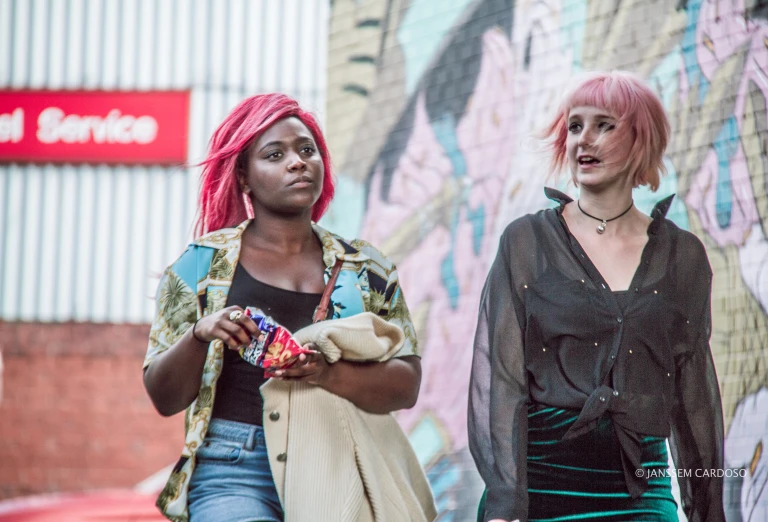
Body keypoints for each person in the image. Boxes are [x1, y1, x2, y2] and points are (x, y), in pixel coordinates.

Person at [143, 94, 429, 522]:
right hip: (234, 468)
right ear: (244, 176)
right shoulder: (201, 265)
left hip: (337, 462)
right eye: (275, 155)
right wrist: (201, 334)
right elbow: (164, 397)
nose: (297, 162)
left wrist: (326, 373)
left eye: (306, 150)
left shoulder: (366, 269)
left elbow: (406, 385)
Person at [468, 71, 725, 522]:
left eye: (604, 125)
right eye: (574, 126)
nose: (584, 139)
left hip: (641, 491)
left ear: (640, 139)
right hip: (542, 489)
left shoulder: (682, 256)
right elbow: (501, 380)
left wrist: (708, 511)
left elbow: (693, 394)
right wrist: (507, 501)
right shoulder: (527, 242)